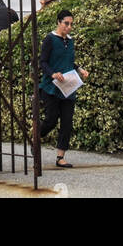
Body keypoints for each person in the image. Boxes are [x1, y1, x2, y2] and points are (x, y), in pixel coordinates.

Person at [38, 9, 89, 169]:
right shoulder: (50, 39)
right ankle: (35, 136)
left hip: (68, 87)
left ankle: (60, 157)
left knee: (67, 123)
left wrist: (80, 69)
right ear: (59, 22)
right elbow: (43, 62)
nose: (69, 26)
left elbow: (68, 61)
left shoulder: (70, 41)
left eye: (71, 24)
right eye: (66, 23)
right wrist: (53, 74)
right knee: (51, 120)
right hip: (51, 87)